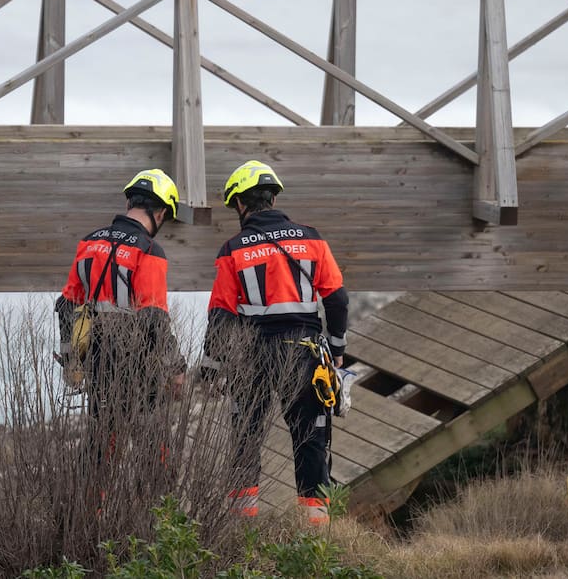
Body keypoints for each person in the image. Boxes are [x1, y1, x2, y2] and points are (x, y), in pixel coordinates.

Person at [199, 159, 349, 524]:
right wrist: (337, 350)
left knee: (245, 438)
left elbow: (221, 314)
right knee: (311, 439)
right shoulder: (311, 238)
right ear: (273, 198)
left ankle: (240, 527)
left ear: (240, 203)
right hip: (305, 352)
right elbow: (337, 300)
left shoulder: (233, 248)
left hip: (251, 355)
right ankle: (314, 533)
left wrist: (211, 366)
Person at [55, 168, 187, 463]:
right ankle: (154, 494)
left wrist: (70, 358)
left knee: (101, 448)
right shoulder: (149, 249)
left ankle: (90, 494)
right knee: (156, 453)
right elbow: (154, 317)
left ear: (130, 203)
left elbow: (66, 305)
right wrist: (176, 367)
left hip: (98, 363)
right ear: (161, 213)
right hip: (139, 365)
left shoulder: (89, 242)